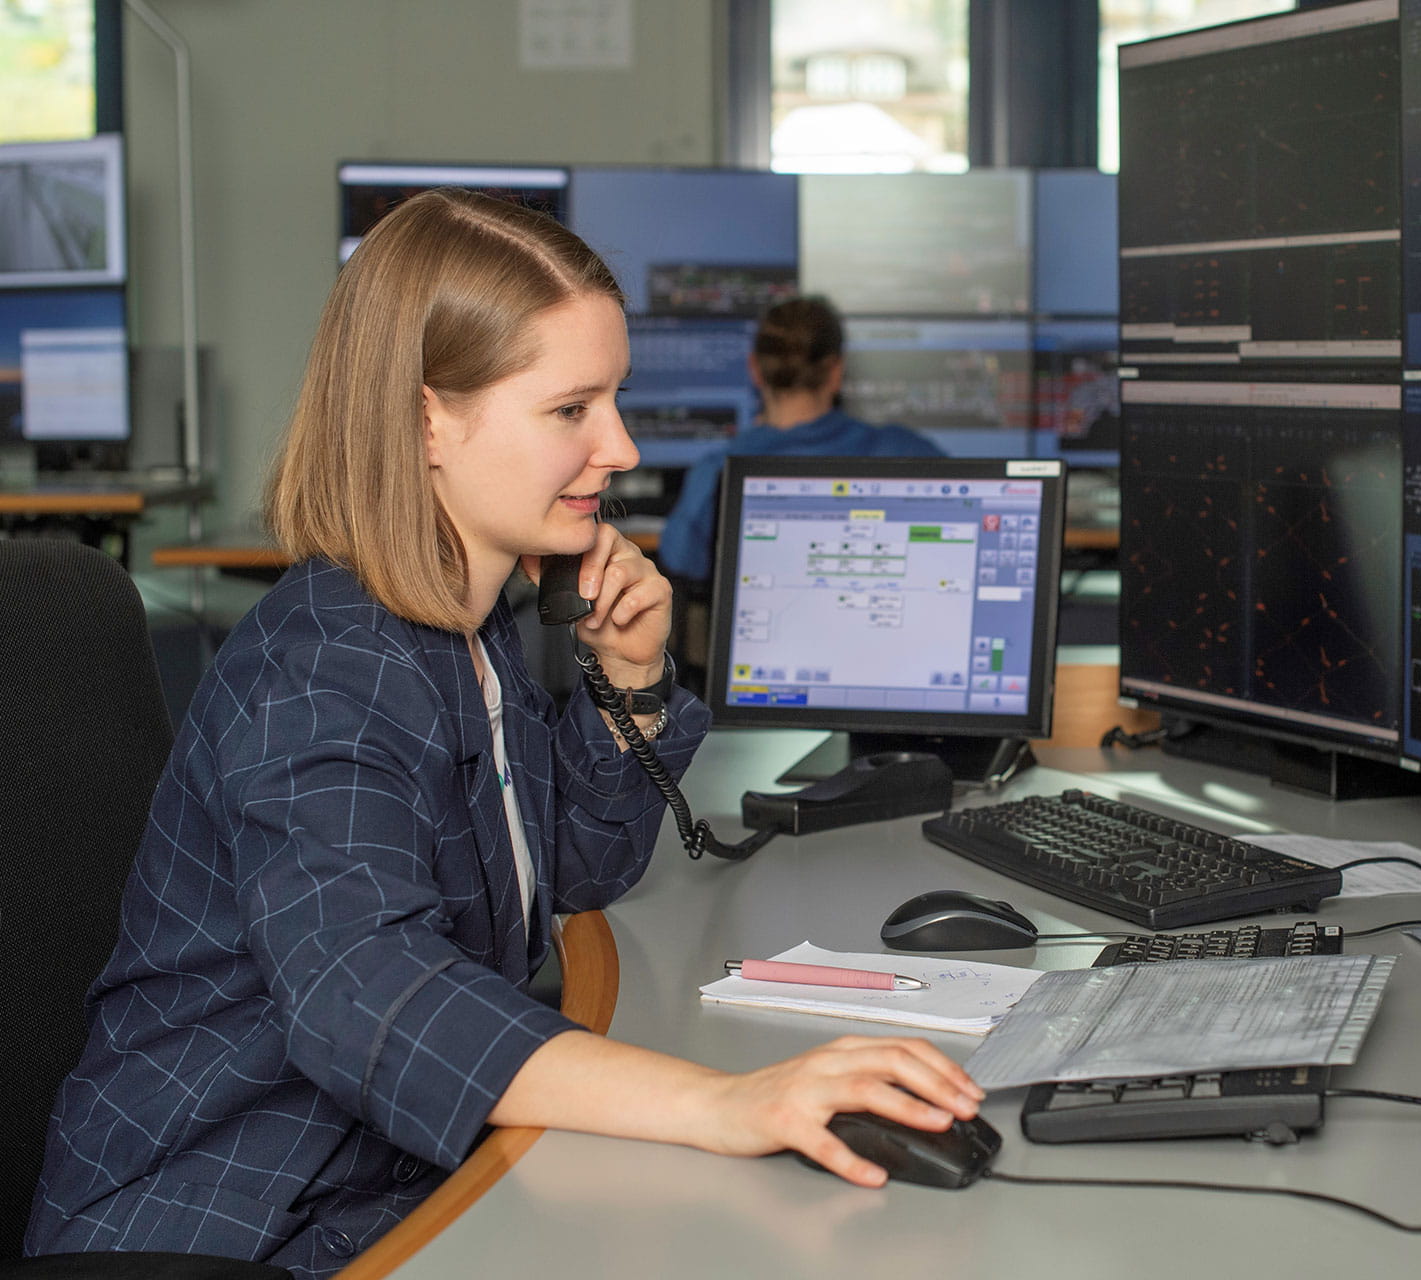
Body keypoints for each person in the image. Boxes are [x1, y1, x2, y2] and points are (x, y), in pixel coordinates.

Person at [28, 191, 982, 1278]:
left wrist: (628, 677)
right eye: (572, 407)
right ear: (430, 418)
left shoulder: (466, 627)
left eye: (614, 399)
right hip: (230, 1219)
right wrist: (723, 1100)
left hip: (376, 1178)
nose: (617, 446)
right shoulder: (328, 663)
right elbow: (364, 990)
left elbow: (572, 868)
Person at [655, 295, 943, 582]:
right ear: (835, 370)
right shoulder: (906, 452)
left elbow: (680, 562)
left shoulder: (718, 470)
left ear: (755, 370)